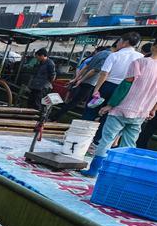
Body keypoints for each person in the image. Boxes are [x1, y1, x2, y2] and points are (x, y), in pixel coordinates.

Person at [83, 42, 157, 177]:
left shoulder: (140, 62)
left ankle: (93, 170)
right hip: (142, 112)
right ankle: (119, 174)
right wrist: (153, 109)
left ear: (153, 46)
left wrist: (110, 105)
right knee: (129, 144)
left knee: (107, 140)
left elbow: (125, 85)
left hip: (123, 108)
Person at [90, 32, 143, 144]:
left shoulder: (114, 55)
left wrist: (96, 89)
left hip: (108, 86)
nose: (117, 43)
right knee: (110, 115)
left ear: (125, 42)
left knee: (92, 110)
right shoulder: (140, 57)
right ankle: (98, 141)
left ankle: (85, 136)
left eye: (119, 41)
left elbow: (104, 73)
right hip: (125, 90)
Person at [54, 45, 113, 121]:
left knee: (73, 102)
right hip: (90, 83)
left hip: (84, 81)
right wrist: (79, 80)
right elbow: (93, 71)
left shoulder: (96, 56)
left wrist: (77, 79)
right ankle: (55, 117)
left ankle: (56, 116)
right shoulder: (107, 56)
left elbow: (85, 67)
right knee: (78, 103)